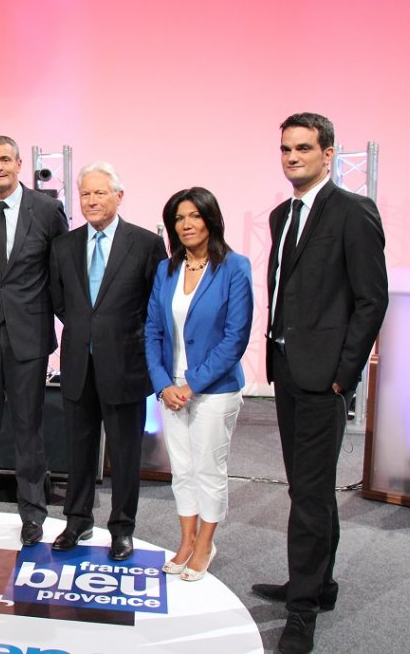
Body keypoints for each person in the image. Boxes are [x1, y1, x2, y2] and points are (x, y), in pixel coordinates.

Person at [253, 113, 388, 654]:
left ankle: (302, 610)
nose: (292, 157)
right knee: (307, 488)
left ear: (328, 153)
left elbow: (371, 299)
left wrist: (343, 375)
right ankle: (319, 583)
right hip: (286, 368)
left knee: (308, 494)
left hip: (323, 377)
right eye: (286, 148)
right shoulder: (281, 213)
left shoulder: (354, 211)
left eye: (304, 148)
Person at [48, 162, 166, 559]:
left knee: (125, 452)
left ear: (119, 196)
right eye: (85, 194)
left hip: (126, 365)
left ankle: (122, 528)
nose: (92, 200)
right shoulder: (64, 245)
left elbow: (156, 304)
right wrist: (89, 329)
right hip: (79, 363)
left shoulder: (147, 244)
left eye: (100, 193)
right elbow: (60, 301)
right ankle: (77, 521)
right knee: (78, 450)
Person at [0, 135, 67, 546]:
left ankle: (33, 512)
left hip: (29, 332)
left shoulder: (47, 208)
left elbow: (60, 267)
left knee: (28, 427)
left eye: (5, 159)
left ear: (20, 163)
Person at [144, 187, 253, 581]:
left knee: (208, 469)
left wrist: (191, 385)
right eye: (179, 218)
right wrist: (161, 383)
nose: (187, 224)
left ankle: (206, 543)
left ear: (211, 219)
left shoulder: (235, 267)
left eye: (194, 216)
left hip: (214, 389)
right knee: (182, 469)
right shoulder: (166, 269)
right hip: (169, 388)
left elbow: (235, 337)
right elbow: (153, 329)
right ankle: (186, 540)